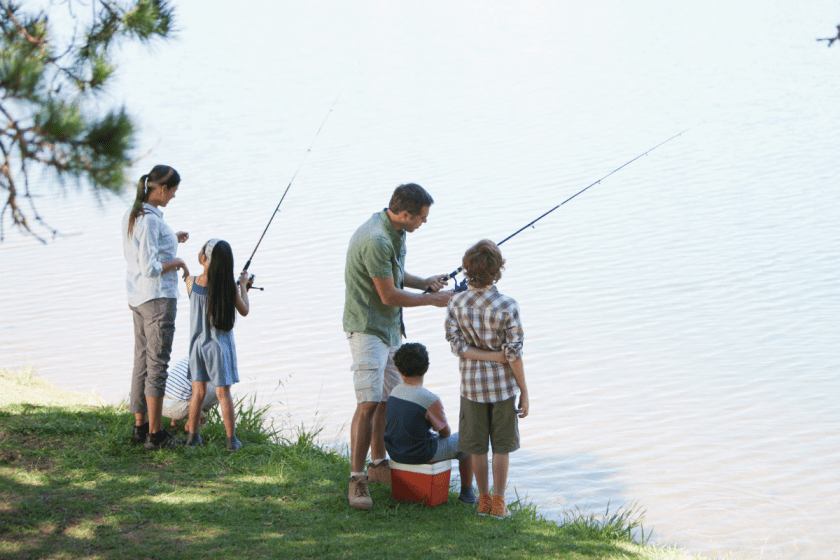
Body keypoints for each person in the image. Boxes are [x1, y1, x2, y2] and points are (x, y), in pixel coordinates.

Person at [343, 183, 452, 510]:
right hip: (367, 328)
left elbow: (393, 275)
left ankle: (379, 464)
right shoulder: (375, 239)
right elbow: (388, 295)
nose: (424, 222)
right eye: (421, 217)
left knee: (388, 399)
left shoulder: (396, 232)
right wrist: (431, 300)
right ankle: (356, 478)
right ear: (404, 214)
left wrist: (424, 283)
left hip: (390, 327)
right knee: (368, 402)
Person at [445, 240, 529, 519]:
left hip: (470, 388)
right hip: (503, 389)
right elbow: (513, 355)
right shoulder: (508, 306)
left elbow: (456, 346)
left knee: (477, 448)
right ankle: (499, 503)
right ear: (497, 271)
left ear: (467, 269)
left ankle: (482, 501)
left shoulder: (456, 302)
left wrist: (483, 357)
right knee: (502, 447)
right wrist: (525, 392)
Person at [123, 164, 189, 451]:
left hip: (137, 298)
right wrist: (179, 262)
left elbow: (142, 252)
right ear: (160, 189)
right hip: (157, 300)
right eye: (173, 191)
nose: (174, 196)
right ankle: (156, 434)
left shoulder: (133, 214)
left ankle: (140, 427)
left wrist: (173, 239)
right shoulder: (150, 221)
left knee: (142, 361)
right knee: (157, 365)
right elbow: (151, 267)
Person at [384, 342, 476, 504]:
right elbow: (445, 433)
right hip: (419, 454)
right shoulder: (429, 399)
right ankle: (467, 492)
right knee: (469, 440)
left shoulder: (394, 392)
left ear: (398, 369)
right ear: (426, 368)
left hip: (395, 451)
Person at [183, 239, 251, 451]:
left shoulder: (191, 283)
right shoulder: (228, 288)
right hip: (218, 349)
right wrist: (242, 287)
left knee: (198, 392)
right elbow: (245, 310)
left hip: (197, 348)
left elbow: (193, 286)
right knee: (223, 394)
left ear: (204, 258)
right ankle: (231, 441)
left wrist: (184, 267)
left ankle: (192, 438)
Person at [161, 356, 219, 429]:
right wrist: (197, 410)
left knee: (187, 386)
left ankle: (174, 423)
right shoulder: (209, 364)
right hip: (177, 410)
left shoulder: (190, 357)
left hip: (160, 405)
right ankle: (193, 425)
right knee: (218, 389)